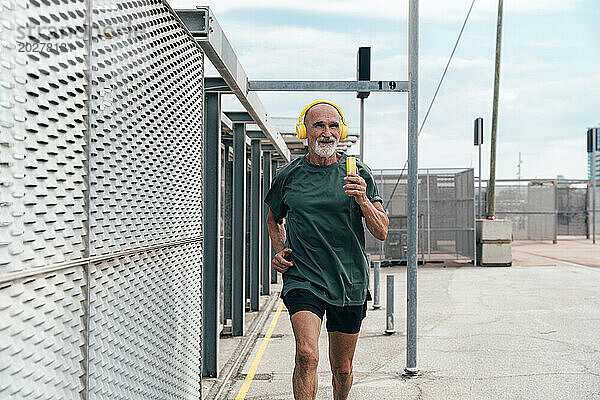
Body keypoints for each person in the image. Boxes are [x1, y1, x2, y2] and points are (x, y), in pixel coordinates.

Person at [265, 101, 389, 400]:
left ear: (341, 131)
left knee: (342, 368)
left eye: (333, 126)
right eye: (319, 125)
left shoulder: (358, 172)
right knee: (306, 355)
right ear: (304, 130)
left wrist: (363, 200)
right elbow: (273, 218)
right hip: (304, 278)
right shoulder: (288, 175)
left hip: (349, 280)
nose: (327, 132)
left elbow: (382, 231)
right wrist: (280, 250)